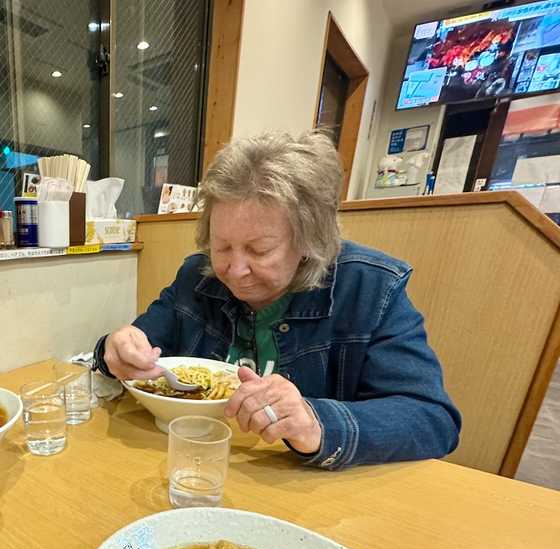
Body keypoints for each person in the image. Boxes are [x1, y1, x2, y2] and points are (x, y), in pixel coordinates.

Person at [94, 130, 460, 469]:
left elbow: (433, 420)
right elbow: (137, 346)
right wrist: (115, 348)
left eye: (259, 250)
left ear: (308, 242)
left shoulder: (370, 288)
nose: (234, 270)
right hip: (194, 466)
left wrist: (315, 422)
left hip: (309, 495)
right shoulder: (198, 276)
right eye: (222, 246)